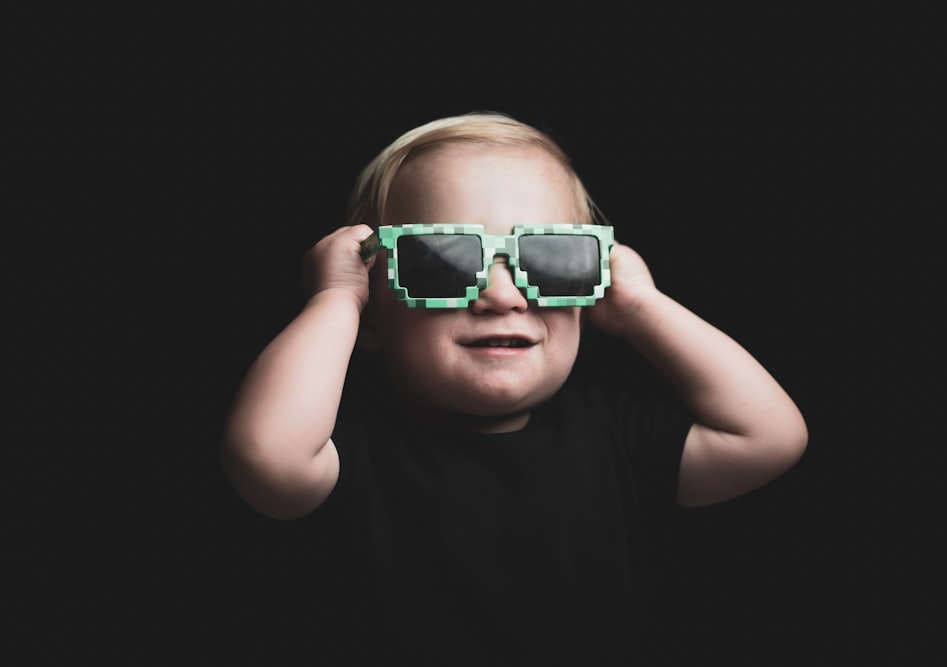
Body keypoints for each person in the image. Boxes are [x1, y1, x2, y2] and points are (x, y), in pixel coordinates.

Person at [220, 111, 808, 665]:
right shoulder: (345, 446)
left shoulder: (614, 437)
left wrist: (641, 306)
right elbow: (266, 458)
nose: (503, 296)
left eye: (553, 258)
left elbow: (770, 437)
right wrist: (335, 299)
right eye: (443, 261)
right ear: (372, 314)